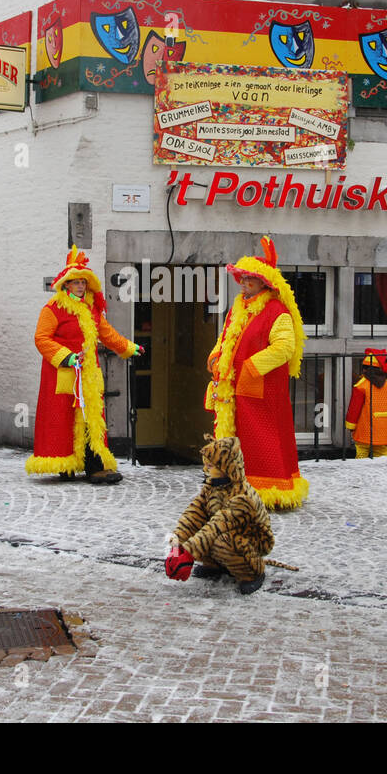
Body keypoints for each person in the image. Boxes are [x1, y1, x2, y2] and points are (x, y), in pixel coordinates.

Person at [205, 236, 307, 510]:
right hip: (232, 389)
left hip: (261, 390)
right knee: (234, 437)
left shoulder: (277, 311)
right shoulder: (238, 309)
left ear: (265, 282)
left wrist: (250, 367)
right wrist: (215, 358)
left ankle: (269, 490)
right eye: (243, 277)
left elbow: (285, 347)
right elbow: (225, 339)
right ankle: (231, 485)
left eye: (250, 278)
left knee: (263, 441)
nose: (244, 282)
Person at [26, 246, 142, 483]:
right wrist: (67, 357)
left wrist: (129, 348)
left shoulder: (92, 310)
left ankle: (94, 465)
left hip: (88, 375)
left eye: (83, 282)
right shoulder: (52, 309)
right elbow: (41, 339)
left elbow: (108, 335)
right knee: (64, 419)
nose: (80, 286)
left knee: (91, 420)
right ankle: (66, 465)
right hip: (63, 373)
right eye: (75, 282)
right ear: (66, 285)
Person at [165, 436, 275, 595]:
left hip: (251, 539)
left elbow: (219, 524)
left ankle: (253, 571)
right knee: (204, 532)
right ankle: (216, 565)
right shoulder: (211, 488)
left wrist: (189, 553)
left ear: (226, 466)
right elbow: (193, 515)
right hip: (222, 532)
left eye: (211, 466)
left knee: (220, 541)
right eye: (206, 465)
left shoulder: (243, 495)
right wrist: (177, 546)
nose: (206, 469)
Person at [345, 348, 387, 458]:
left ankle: (360, 473)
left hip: (365, 427)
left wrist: (351, 425)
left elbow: (355, 408)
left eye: (364, 368)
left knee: (362, 452)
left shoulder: (362, 385)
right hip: (383, 428)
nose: (363, 370)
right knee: (382, 454)